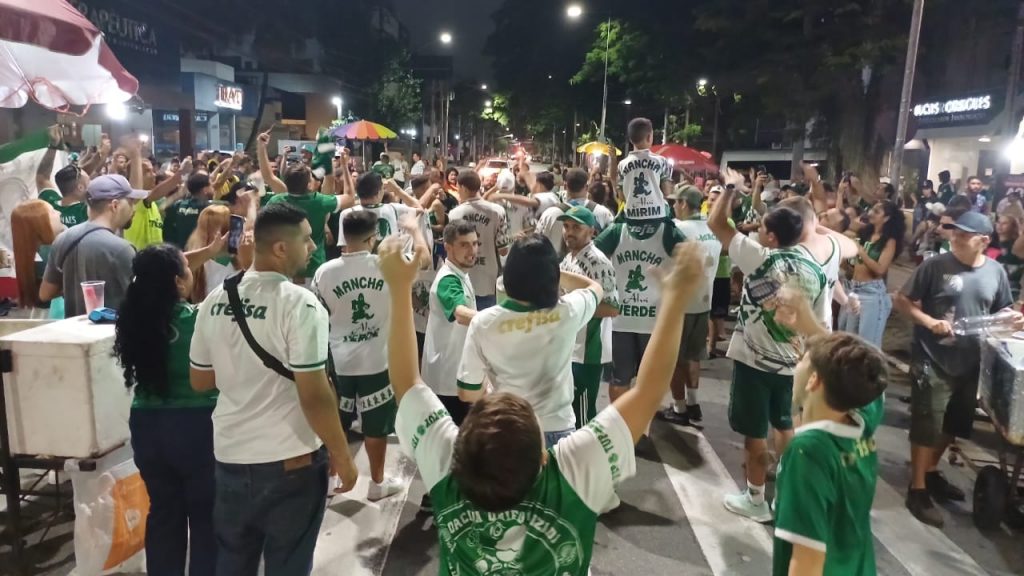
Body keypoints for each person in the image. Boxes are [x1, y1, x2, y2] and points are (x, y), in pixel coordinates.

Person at [380, 228, 705, 576]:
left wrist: (399, 288)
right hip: (561, 426)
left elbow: (417, 385)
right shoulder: (573, 473)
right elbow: (648, 389)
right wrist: (674, 301)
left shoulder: (448, 467)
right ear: (541, 456)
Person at [189, 203, 358, 574]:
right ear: (281, 248)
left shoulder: (215, 300)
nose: (313, 246)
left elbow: (200, 380)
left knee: (233, 560)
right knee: (288, 564)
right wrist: (343, 456)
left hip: (230, 458)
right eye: (307, 239)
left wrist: (240, 372)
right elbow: (313, 394)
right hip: (290, 461)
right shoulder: (301, 304)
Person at [895, 211, 1024, 528]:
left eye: (964, 235)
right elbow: (902, 299)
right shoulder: (935, 266)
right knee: (927, 422)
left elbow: (1001, 309)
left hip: (971, 362)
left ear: (983, 241)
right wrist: (928, 321)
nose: (955, 237)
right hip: (933, 357)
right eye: (955, 232)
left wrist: (1012, 318)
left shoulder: (994, 272)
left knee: (953, 423)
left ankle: (930, 472)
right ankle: (918, 489)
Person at [707, 184, 826, 523]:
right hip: (793, 365)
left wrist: (730, 188)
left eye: (761, 229)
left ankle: (756, 498)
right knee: (785, 426)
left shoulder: (761, 258)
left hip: (755, 363)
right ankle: (786, 496)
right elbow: (820, 325)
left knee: (755, 433)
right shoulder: (816, 270)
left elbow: (717, 223)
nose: (756, 232)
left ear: (772, 237)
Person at [114, 244, 218, 576]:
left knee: (162, 514)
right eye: (187, 269)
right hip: (196, 426)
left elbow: (164, 271)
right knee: (206, 518)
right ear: (177, 281)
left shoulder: (133, 322)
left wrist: (212, 249)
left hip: (147, 426)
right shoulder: (199, 319)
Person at [769, 288, 888, 576]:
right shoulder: (862, 416)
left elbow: (808, 560)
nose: (796, 364)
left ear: (813, 381)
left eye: (802, 360)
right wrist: (806, 321)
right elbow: (854, 365)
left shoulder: (809, 451)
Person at [313, 211, 427, 501]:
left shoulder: (325, 271)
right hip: (378, 361)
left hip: (338, 361)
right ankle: (377, 483)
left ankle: (330, 479)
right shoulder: (385, 265)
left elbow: (319, 312)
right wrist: (414, 230)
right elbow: (423, 260)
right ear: (372, 236)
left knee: (336, 423)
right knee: (376, 426)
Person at [458, 234, 603, 447]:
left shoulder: (483, 322)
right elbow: (595, 288)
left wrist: (490, 394)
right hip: (559, 429)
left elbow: (467, 392)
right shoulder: (569, 311)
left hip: (507, 429)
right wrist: (549, 272)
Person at [595, 208, 685, 404]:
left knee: (620, 378)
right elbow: (692, 261)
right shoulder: (670, 231)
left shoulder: (616, 230)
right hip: (651, 320)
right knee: (648, 381)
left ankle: (617, 427)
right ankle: (640, 429)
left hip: (622, 317)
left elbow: (591, 255)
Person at [39, 175, 145, 316]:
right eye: (131, 202)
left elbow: (45, 293)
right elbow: (141, 302)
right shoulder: (122, 249)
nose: (133, 209)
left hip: (73, 333)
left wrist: (75, 284)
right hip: (111, 335)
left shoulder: (63, 239)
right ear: (115, 205)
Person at [659, 186, 721, 425]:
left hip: (680, 305)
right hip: (704, 301)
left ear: (684, 203)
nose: (674, 206)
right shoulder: (712, 230)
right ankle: (694, 403)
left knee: (674, 358)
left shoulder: (679, 230)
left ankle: (680, 407)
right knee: (693, 356)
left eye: (676, 202)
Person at [558, 206, 619, 429]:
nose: (569, 232)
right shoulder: (569, 258)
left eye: (576, 227)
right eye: (566, 226)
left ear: (591, 231)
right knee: (570, 408)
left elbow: (612, 308)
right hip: (569, 346)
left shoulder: (598, 262)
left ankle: (585, 457)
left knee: (583, 412)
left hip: (588, 350)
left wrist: (575, 308)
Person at [838, 201, 905, 348]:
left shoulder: (889, 241)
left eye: (876, 211)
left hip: (872, 293)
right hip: (853, 289)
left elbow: (881, 269)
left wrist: (861, 252)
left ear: (886, 218)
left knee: (868, 346)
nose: (870, 213)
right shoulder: (865, 233)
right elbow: (842, 219)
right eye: (871, 209)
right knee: (849, 341)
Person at [448, 170, 510, 309]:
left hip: (463, 277)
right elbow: (503, 250)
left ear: (463, 187)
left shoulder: (454, 214)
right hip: (488, 279)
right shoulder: (497, 211)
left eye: (458, 188)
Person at [337, 172, 430, 249]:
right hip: (389, 266)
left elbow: (344, 249)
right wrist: (397, 190)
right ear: (378, 193)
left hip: (360, 268)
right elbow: (419, 209)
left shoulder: (347, 214)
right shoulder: (392, 209)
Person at [535, 168, 605, 258]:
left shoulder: (550, 214)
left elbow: (536, 245)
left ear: (565, 185)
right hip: (592, 269)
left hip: (555, 269)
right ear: (587, 187)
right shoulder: (603, 213)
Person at [617, 118, 673, 222]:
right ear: (649, 137)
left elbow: (621, 196)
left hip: (631, 218)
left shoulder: (622, 165)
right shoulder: (661, 161)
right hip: (657, 217)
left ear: (630, 139)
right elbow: (667, 192)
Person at [11, 200, 64, 310]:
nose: (59, 213)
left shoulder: (28, 255)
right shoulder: (51, 253)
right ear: (40, 223)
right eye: (53, 212)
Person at [706, 186, 733, 358]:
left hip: (721, 273)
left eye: (716, 199)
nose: (712, 202)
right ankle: (709, 345)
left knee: (715, 312)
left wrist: (710, 250)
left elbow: (728, 247)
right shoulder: (703, 220)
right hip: (706, 274)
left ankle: (711, 347)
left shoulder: (728, 222)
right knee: (708, 311)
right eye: (710, 199)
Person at [163, 172, 213, 250]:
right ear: (205, 189)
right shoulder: (209, 210)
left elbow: (167, 232)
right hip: (199, 255)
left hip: (177, 254)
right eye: (211, 185)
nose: (213, 188)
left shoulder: (177, 206)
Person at [987, 214, 1024, 301]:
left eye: (1004, 223)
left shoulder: (1016, 247)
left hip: (1011, 289)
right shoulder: (989, 243)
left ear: (1012, 226)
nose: (1000, 226)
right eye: (998, 222)